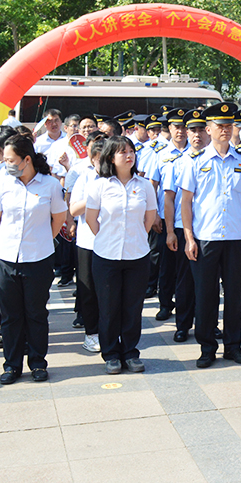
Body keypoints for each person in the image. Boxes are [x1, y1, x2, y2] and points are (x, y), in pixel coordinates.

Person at [179, 102, 241, 368]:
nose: (225, 130)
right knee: (205, 296)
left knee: (234, 295)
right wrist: (189, 238)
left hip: (235, 238)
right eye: (219, 126)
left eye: (229, 125)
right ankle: (207, 347)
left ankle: (233, 346)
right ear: (209, 129)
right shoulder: (195, 162)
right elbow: (186, 202)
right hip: (206, 238)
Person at [0, 134, 66, 384]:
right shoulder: (4, 182)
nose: (6, 164)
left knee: (36, 313)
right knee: (10, 315)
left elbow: (58, 218)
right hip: (6, 257)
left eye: (11, 160)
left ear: (27, 159)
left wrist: (42, 239)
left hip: (38, 258)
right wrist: (8, 239)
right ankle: (11, 365)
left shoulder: (50, 184)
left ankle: (38, 363)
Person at [85, 136, 154, 374]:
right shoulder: (100, 185)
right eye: (122, 152)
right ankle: (111, 353)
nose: (129, 155)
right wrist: (107, 237)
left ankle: (130, 352)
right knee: (109, 307)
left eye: (131, 151)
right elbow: (91, 219)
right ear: (111, 158)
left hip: (137, 255)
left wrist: (135, 237)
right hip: (106, 255)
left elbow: (149, 218)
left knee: (132, 308)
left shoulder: (144, 185)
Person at [161, 109, 208, 342]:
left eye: (201, 129)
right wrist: (170, 231)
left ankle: (208, 323)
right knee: (184, 280)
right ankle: (183, 324)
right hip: (183, 228)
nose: (197, 135)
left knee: (209, 282)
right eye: (192, 130)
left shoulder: (219, 159)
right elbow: (169, 199)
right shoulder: (176, 163)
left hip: (210, 229)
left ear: (208, 131)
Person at [147, 109, 189, 321]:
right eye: (176, 127)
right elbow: (152, 185)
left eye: (183, 127)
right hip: (165, 218)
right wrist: (154, 213)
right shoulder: (160, 154)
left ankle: (189, 307)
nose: (180, 131)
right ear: (169, 129)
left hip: (190, 219)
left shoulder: (198, 152)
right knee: (166, 264)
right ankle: (165, 304)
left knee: (188, 267)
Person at [67, 133, 106, 354]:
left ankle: (110, 332)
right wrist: (95, 194)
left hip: (113, 243)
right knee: (89, 290)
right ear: (92, 160)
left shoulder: (119, 178)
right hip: (88, 242)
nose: (103, 163)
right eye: (99, 159)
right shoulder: (85, 178)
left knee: (109, 291)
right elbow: (73, 209)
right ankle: (91, 333)